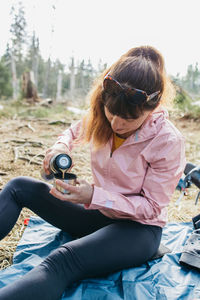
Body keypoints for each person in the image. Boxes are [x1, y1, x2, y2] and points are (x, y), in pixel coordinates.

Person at [0, 45, 186, 300]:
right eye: (112, 113)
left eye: (129, 119)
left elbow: (152, 208)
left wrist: (92, 196)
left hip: (138, 231)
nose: (116, 124)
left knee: (61, 261)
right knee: (19, 186)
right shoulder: (102, 114)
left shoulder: (167, 141)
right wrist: (59, 148)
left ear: (150, 108)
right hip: (99, 215)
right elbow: (72, 132)